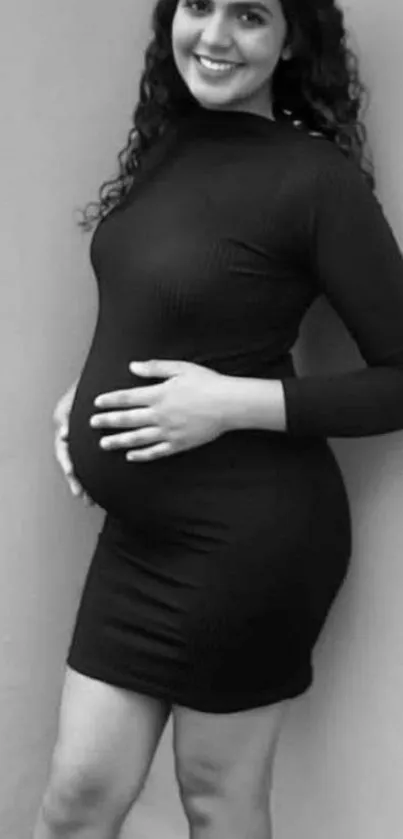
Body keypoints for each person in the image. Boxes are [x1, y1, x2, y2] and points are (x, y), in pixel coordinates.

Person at [34, 1, 403, 838]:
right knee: (76, 801)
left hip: (247, 543)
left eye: (248, 16)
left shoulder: (315, 181)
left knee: (217, 799)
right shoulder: (169, 147)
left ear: (288, 40)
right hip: (138, 540)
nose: (214, 36)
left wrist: (229, 402)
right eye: (198, 7)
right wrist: (81, 395)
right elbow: (158, 305)